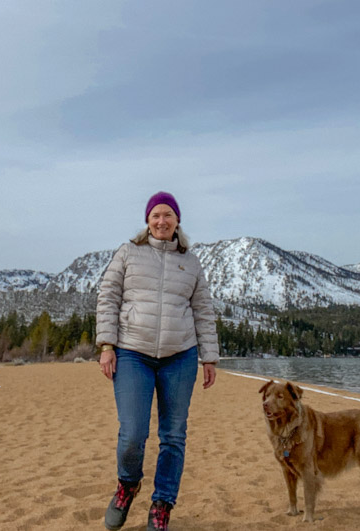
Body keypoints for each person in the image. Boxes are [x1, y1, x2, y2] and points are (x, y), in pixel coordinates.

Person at [96, 191, 219, 531]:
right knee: (133, 433)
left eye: (168, 215)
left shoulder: (190, 262)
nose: (162, 221)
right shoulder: (129, 253)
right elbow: (107, 297)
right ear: (147, 220)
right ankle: (127, 484)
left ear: (178, 221)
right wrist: (107, 344)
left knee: (173, 436)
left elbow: (203, 312)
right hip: (133, 352)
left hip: (180, 356)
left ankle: (162, 504)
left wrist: (209, 357)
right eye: (156, 216)